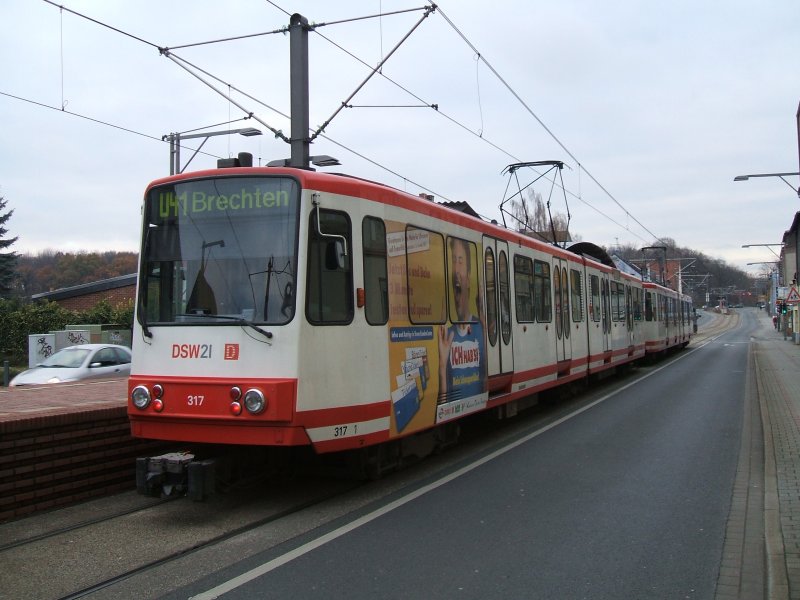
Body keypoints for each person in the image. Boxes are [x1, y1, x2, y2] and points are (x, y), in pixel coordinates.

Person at [438, 237, 487, 404]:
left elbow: (487, 382)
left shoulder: (481, 328)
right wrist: (442, 367)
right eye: (453, 261)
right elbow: (443, 405)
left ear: (469, 277)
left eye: (460, 261)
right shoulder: (447, 337)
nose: (456, 270)